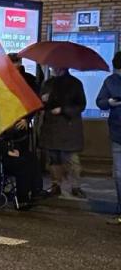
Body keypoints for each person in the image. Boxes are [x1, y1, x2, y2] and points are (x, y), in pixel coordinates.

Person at [39, 66, 85, 198]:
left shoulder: (75, 83)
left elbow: (81, 104)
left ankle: (75, 186)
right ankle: (55, 185)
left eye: (56, 65)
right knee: (53, 159)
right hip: (51, 127)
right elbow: (41, 104)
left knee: (71, 159)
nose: (53, 68)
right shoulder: (48, 83)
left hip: (69, 127)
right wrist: (43, 100)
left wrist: (63, 109)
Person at [96, 52, 121, 222]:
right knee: (119, 174)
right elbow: (100, 101)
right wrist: (109, 103)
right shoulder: (110, 81)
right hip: (117, 132)